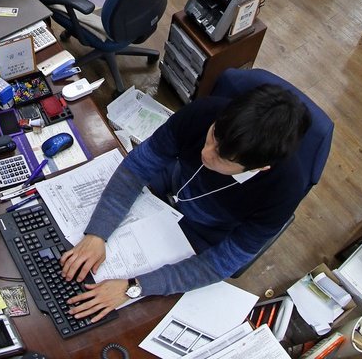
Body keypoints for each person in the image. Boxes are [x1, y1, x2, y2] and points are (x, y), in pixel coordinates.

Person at [59, 84, 312, 323]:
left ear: (260, 167)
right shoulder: (205, 113)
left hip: (204, 231)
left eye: (222, 157)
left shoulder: (284, 190)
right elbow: (135, 169)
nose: (206, 152)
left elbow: (221, 263)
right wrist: (97, 233)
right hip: (172, 183)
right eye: (213, 136)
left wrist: (136, 287)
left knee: (132, 316)